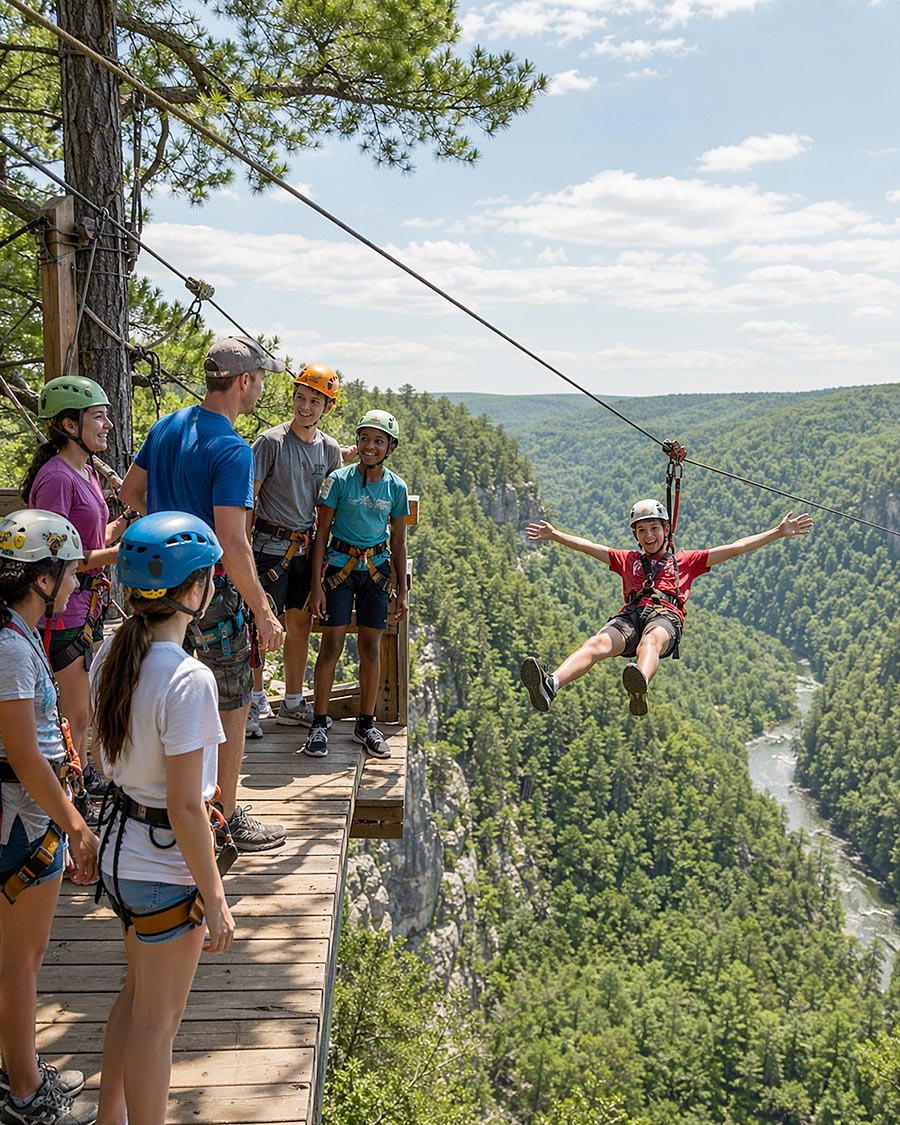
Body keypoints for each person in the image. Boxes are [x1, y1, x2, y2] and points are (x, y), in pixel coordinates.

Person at [89, 511, 235, 1125]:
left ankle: (110, 1117)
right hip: (161, 868)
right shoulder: (189, 679)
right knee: (159, 1024)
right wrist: (217, 895)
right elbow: (183, 807)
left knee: (135, 996)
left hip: (121, 851)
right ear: (195, 591)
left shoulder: (110, 653)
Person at [118, 335, 286, 853]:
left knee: (158, 687)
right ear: (244, 382)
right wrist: (262, 610)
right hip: (206, 592)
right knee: (230, 701)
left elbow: (129, 493)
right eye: (260, 378)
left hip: (155, 584)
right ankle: (225, 816)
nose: (260, 387)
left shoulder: (167, 424)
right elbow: (232, 542)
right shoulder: (232, 449)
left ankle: (163, 795)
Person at [521, 500, 813, 717]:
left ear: (665, 530)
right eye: (642, 531)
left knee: (651, 641)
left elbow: (735, 547)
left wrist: (777, 532)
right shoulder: (626, 559)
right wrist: (556, 534)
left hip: (666, 617)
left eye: (654, 529)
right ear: (636, 535)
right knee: (597, 643)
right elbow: (588, 546)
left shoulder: (687, 561)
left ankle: (640, 683)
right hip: (631, 616)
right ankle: (552, 684)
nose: (649, 536)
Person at [0, 509, 100, 1125]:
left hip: (25, 817)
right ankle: (26, 1094)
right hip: (24, 823)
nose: (75, 581)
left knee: (15, 961)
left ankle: (17, 1065)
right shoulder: (12, 648)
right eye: (68, 571)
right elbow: (22, 754)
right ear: (43, 579)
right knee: (21, 965)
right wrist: (75, 825)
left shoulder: (17, 636)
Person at [22, 376, 134, 797]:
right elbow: (53, 556)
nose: (108, 425)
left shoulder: (83, 471)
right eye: (99, 417)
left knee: (83, 708)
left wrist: (118, 529)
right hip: (63, 608)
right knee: (78, 712)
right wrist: (124, 551)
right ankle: (78, 782)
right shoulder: (56, 479)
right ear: (70, 425)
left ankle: (81, 776)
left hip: (86, 602)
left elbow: (84, 541)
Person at [245, 363, 343, 738]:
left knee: (299, 626)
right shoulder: (270, 443)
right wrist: (244, 551)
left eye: (314, 401)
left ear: (327, 408)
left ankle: (291, 701)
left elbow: (329, 506)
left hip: (304, 551)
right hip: (269, 549)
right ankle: (255, 700)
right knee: (261, 627)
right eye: (301, 398)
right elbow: (249, 499)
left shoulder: (330, 450)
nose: (305, 407)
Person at [305, 409, 410, 759]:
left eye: (378, 441)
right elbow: (321, 533)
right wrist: (317, 585)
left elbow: (398, 542)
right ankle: (319, 724)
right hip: (339, 566)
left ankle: (366, 723)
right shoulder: (339, 480)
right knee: (331, 644)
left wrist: (403, 590)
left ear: (390, 447)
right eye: (365, 439)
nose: (370, 446)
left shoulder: (396, 487)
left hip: (376, 571)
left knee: (371, 647)